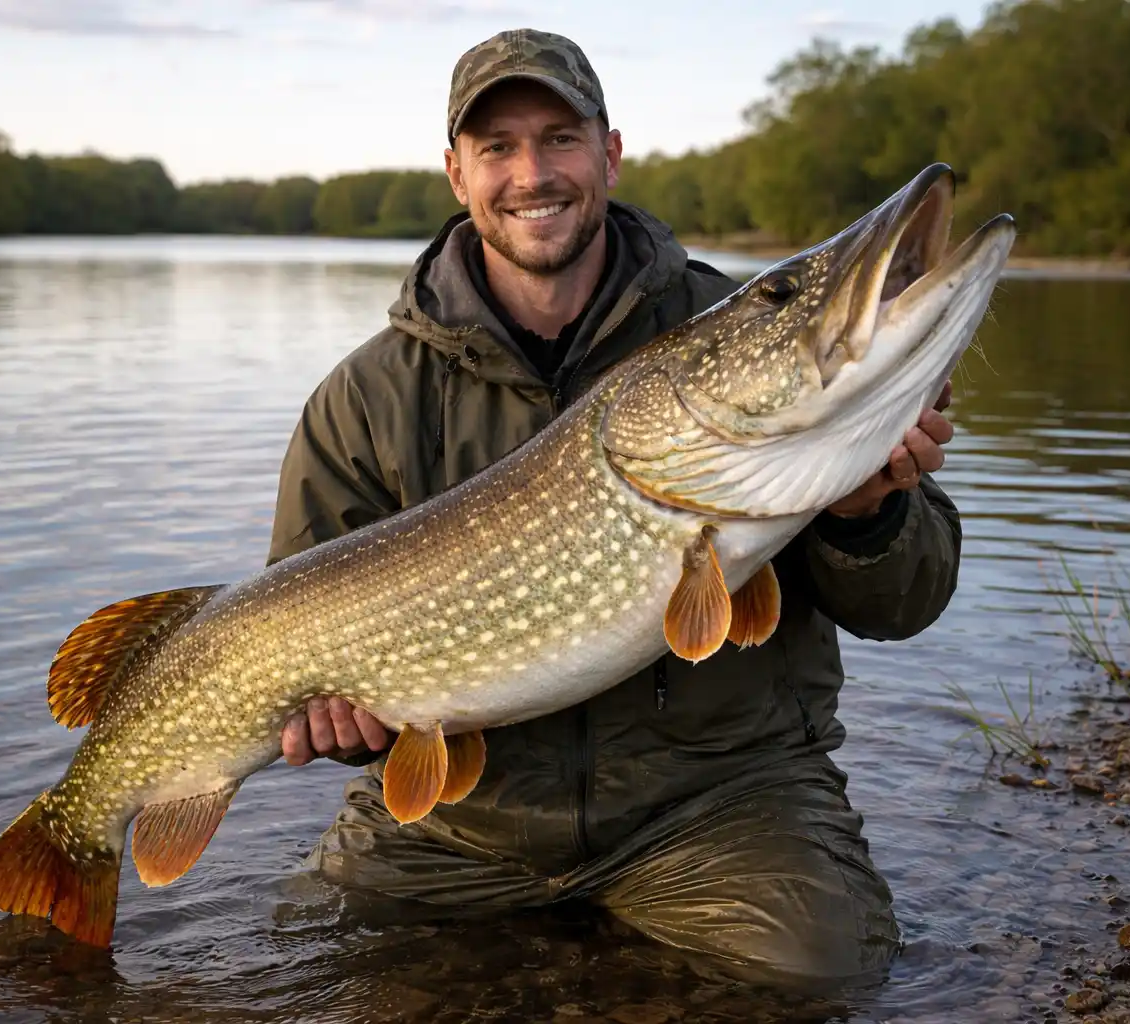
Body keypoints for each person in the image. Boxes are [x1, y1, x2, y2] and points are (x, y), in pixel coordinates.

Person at [264, 27, 962, 992]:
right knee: (303, 962)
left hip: (717, 800)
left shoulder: (717, 332)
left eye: (559, 138)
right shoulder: (367, 399)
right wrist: (333, 719)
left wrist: (866, 516)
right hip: (462, 824)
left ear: (609, 154)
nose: (531, 173)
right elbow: (294, 616)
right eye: (498, 148)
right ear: (456, 175)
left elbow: (908, 604)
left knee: (817, 973)